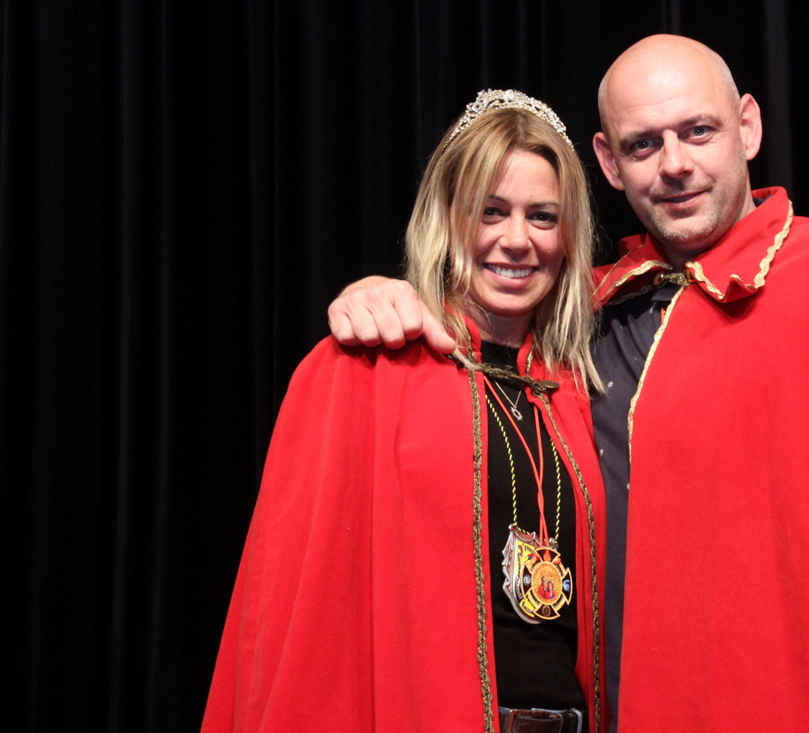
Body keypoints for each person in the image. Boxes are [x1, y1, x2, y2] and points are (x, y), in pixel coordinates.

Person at [329, 35, 809, 732]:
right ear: (609, 163)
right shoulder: (585, 312)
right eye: (644, 144)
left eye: (698, 131)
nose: (675, 164)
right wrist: (387, 294)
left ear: (747, 127)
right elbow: (483, 330)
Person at [203, 90, 607, 733]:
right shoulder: (364, 365)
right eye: (490, 211)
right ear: (446, 218)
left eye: (542, 216)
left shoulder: (582, 391)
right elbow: (295, 612)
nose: (516, 240)